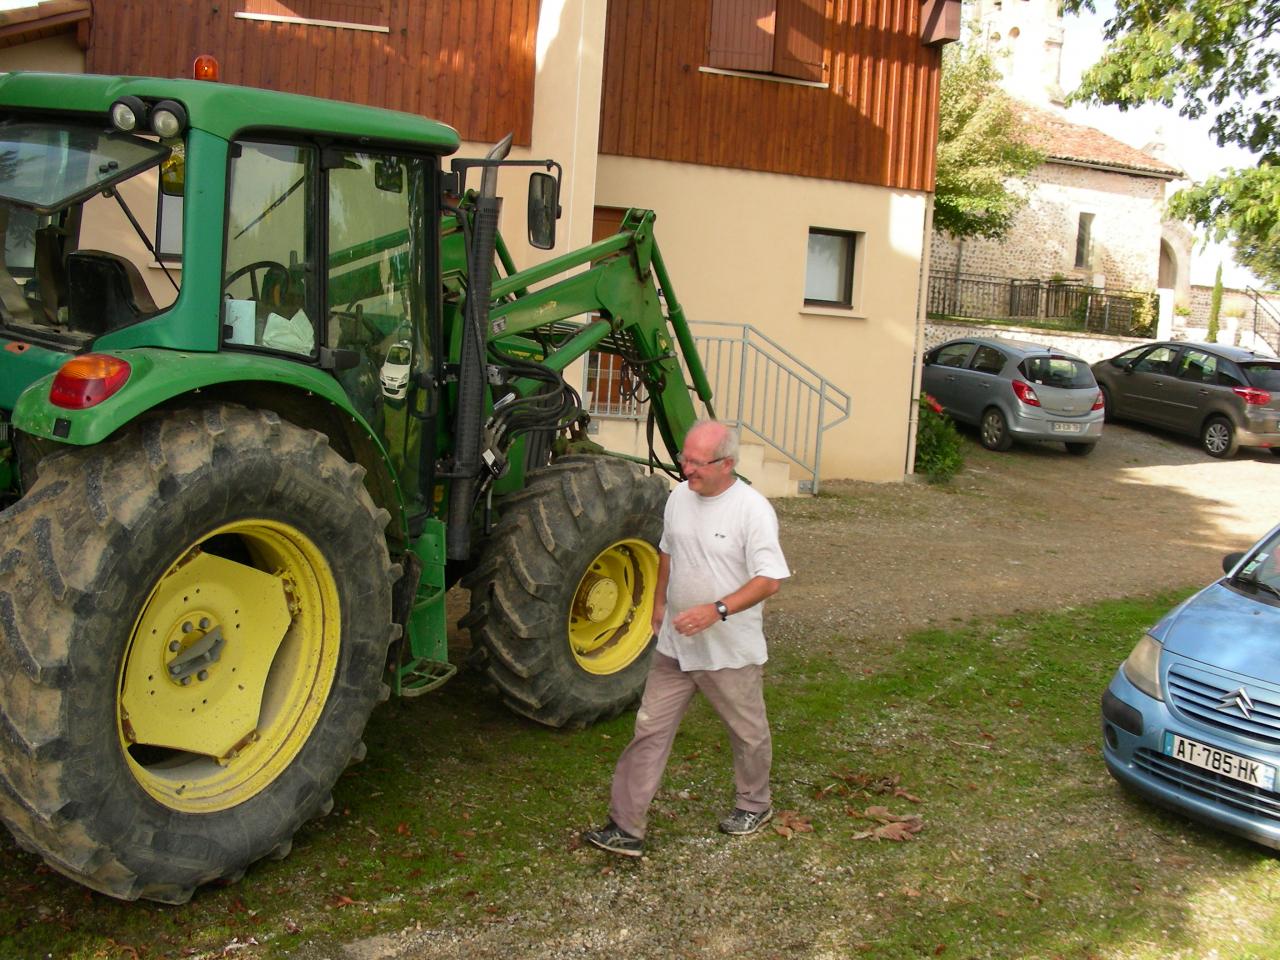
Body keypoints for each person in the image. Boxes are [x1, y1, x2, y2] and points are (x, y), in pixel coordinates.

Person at [583, 419, 789, 857]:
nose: (686, 469)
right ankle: (626, 827)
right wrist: (659, 601)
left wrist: (717, 610)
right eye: (685, 459)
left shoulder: (752, 510)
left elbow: (770, 579)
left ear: (727, 463)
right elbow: (667, 549)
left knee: (748, 733)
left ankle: (755, 803)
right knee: (648, 731)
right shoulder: (679, 496)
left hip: (728, 651)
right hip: (676, 647)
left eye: (697, 463)